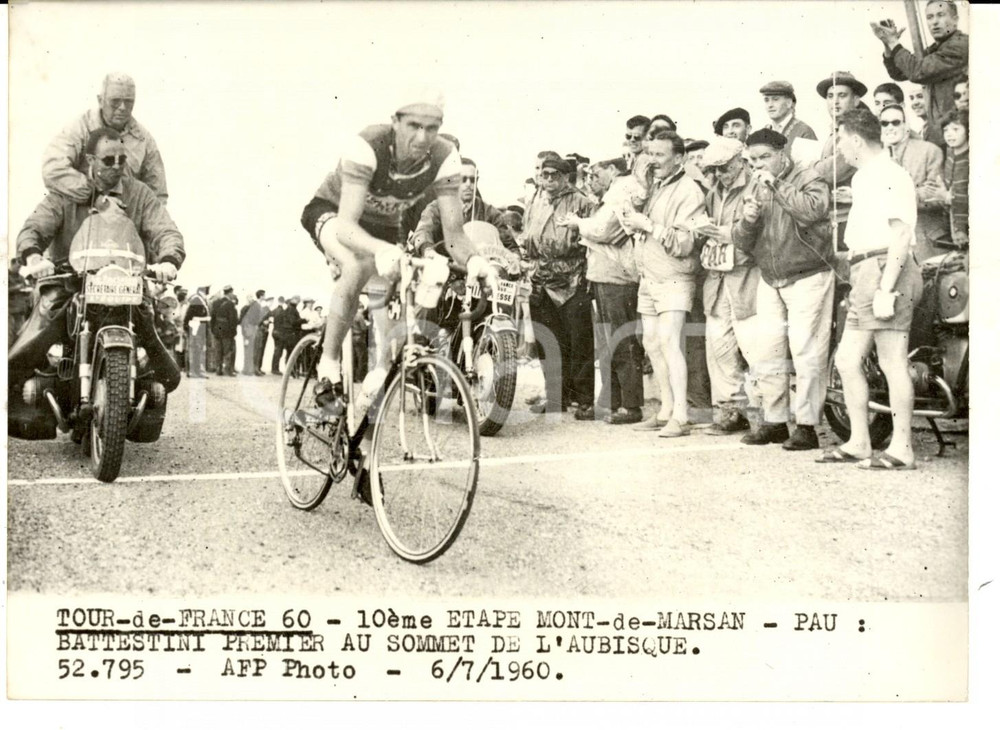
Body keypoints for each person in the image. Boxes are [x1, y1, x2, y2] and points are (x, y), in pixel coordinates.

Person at [299, 88, 495, 415]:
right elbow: (347, 227)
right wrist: (380, 251)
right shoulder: (369, 145)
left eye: (432, 128)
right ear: (395, 122)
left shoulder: (446, 158)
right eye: (413, 126)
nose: (423, 137)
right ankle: (328, 365)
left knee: (396, 288)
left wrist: (476, 261)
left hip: (383, 225)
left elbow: (455, 235)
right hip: (334, 213)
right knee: (359, 264)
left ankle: (381, 372)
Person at [9, 127, 183, 436]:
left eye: (121, 159)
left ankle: (151, 390)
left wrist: (169, 258)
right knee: (45, 318)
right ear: (91, 159)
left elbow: (164, 228)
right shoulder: (68, 192)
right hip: (71, 280)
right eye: (108, 159)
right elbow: (34, 227)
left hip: (125, 280)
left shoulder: (139, 193)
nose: (116, 166)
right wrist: (34, 257)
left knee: (152, 333)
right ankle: (20, 391)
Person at [818, 108, 924, 470]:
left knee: (892, 360)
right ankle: (860, 441)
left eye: (842, 140)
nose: (840, 149)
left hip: (885, 268)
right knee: (847, 360)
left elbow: (901, 234)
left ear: (857, 140)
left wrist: (886, 289)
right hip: (865, 269)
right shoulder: (865, 178)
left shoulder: (891, 175)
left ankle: (902, 448)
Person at [732, 129, 834, 451]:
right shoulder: (754, 184)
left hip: (808, 273)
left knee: (806, 350)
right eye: (753, 159)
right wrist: (747, 221)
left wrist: (776, 185)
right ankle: (775, 421)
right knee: (768, 350)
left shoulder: (807, 175)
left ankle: (807, 426)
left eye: (765, 157)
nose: (758, 164)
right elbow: (740, 240)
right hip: (771, 276)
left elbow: (814, 209)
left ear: (782, 153)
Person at [621, 131, 706, 438]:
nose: (652, 160)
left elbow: (684, 243)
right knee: (652, 344)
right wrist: (641, 196)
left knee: (670, 343)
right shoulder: (656, 185)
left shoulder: (690, 191)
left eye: (660, 155)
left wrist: (648, 225)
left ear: (679, 158)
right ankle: (666, 409)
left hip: (674, 276)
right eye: (650, 153)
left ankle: (681, 415)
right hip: (650, 275)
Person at [557, 157, 644, 425]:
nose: (593, 178)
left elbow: (603, 229)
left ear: (613, 170)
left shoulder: (623, 189)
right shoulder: (617, 190)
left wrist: (578, 224)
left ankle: (630, 405)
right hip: (606, 276)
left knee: (620, 341)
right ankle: (613, 402)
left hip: (616, 277)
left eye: (597, 172)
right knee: (610, 342)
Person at [691, 137, 760, 436]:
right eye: (714, 169)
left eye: (725, 168)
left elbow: (759, 231)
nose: (719, 174)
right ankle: (729, 411)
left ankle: (763, 412)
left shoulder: (756, 187)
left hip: (747, 275)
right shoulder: (713, 194)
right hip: (717, 279)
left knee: (754, 346)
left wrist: (724, 233)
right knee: (718, 347)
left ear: (740, 161)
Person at [522, 154, 596, 417]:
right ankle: (557, 396)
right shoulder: (534, 201)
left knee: (579, 342)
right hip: (539, 278)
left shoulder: (582, 203)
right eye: (545, 174)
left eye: (555, 175)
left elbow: (592, 242)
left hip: (572, 279)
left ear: (566, 176)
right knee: (547, 341)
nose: (549, 179)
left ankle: (583, 399)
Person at [42, 73, 168, 204]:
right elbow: (52, 169)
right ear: (100, 100)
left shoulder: (144, 140)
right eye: (115, 101)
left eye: (129, 102)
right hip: (83, 212)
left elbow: (157, 194)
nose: (122, 108)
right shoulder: (79, 128)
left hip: (126, 216)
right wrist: (97, 196)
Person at [873, 0, 968, 148]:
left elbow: (918, 72)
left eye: (940, 15)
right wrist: (888, 44)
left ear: (955, 19)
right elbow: (899, 73)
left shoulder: (959, 46)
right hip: (941, 135)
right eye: (930, 17)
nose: (935, 22)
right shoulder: (938, 48)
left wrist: (894, 43)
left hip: (959, 134)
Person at [879, 103, 949, 262]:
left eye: (895, 122)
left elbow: (936, 197)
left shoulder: (929, 151)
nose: (890, 127)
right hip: (890, 243)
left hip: (925, 238)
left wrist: (892, 198)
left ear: (906, 125)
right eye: (884, 123)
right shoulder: (878, 157)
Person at [411, 157, 518, 254]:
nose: (468, 184)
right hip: (448, 267)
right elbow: (422, 231)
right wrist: (428, 250)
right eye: (463, 179)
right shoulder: (436, 208)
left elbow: (510, 246)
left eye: (472, 180)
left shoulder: (489, 212)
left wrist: (515, 258)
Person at [813, 71, 867, 250]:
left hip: (851, 216)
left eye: (842, 95)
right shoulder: (833, 132)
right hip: (834, 217)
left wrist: (809, 168)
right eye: (830, 96)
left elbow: (828, 172)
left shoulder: (858, 130)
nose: (834, 102)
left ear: (856, 99)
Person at [922, 108, 968, 248]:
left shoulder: (972, 159)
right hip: (955, 228)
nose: (949, 134)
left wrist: (946, 196)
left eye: (955, 129)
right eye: (946, 130)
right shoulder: (950, 156)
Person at [759, 80, 818, 148]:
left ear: (789, 103)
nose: (770, 105)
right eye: (766, 100)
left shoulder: (804, 132)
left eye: (775, 99)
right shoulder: (764, 132)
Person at [271, 295, 302, 376]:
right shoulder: (291, 309)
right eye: (297, 300)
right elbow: (293, 322)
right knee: (286, 351)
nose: (298, 302)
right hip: (286, 334)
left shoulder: (285, 310)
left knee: (281, 351)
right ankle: (286, 370)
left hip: (282, 333)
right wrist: (303, 320)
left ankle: (276, 369)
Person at [211, 285, 238, 376]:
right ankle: (228, 370)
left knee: (218, 350)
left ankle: (218, 369)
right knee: (228, 350)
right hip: (227, 330)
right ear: (230, 292)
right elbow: (233, 320)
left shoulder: (215, 303)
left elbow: (212, 318)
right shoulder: (230, 304)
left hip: (217, 329)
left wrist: (213, 329)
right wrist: (233, 332)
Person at [240, 289, 269, 376]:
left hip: (251, 329)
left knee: (252, 350)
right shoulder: (256, 306)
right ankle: (251, 369)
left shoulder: (255, 306)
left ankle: (249, 369)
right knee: (254, 349)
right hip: (253, 330)